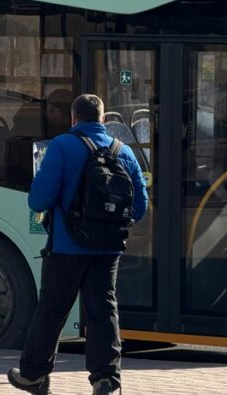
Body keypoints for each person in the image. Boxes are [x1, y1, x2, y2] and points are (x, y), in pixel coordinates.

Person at [8, 94, 148, 395]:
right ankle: (106, 379)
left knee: (52, 311)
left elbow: (39, 200)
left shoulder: (61, 146)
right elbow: (140, 207)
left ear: (74, 118)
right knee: (103, 310)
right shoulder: (123, 151)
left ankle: (33, 375)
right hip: (109, 250)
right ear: (102, 119)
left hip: (67, 248)